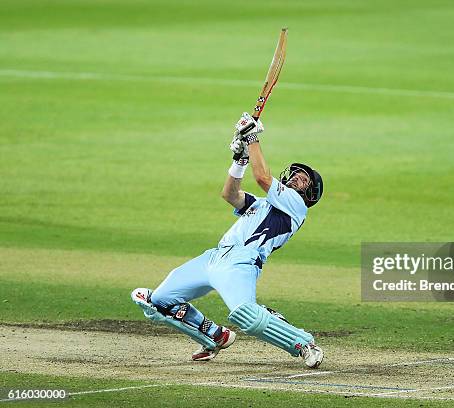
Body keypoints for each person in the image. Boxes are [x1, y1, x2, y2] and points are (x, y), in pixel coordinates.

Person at [131, 112, 324, 368]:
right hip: (213, 256)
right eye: (296, 174)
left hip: (241, 262)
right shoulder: (262, 204)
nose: (297, 177)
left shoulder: (296, 207)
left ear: (309, 193)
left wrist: (252, 137)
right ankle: (214, 336)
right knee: (158, 301)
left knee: (247, 317)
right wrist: (240, 158)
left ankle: (303, 344)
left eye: (304, 179)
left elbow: (263, 178)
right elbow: (230, 194)